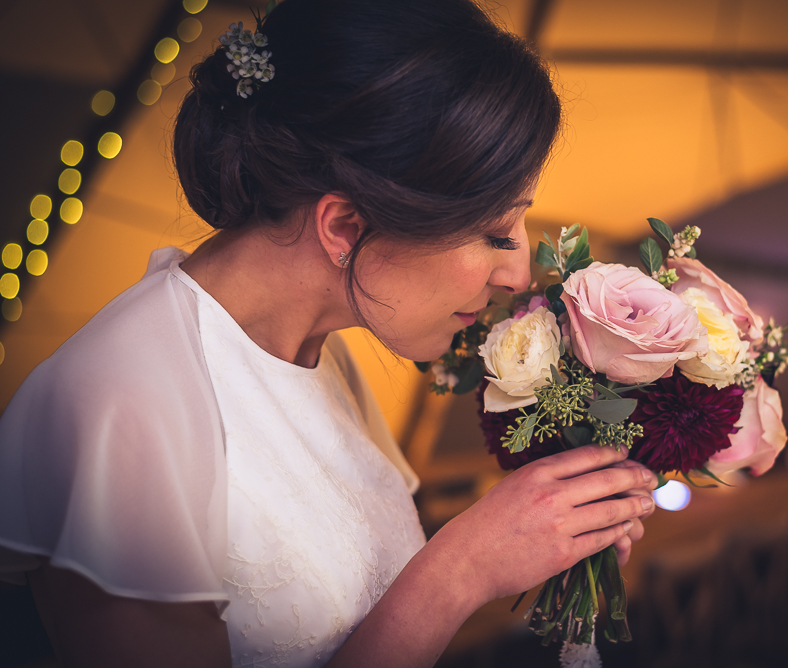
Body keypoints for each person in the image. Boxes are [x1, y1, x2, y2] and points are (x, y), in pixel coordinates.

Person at [0, 0, 657, 665]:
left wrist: (535, 535)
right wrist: (459, 571)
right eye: (495, 231)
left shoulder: (322, 357)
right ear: (343, 227)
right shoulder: (120, 400)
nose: (518, 272)